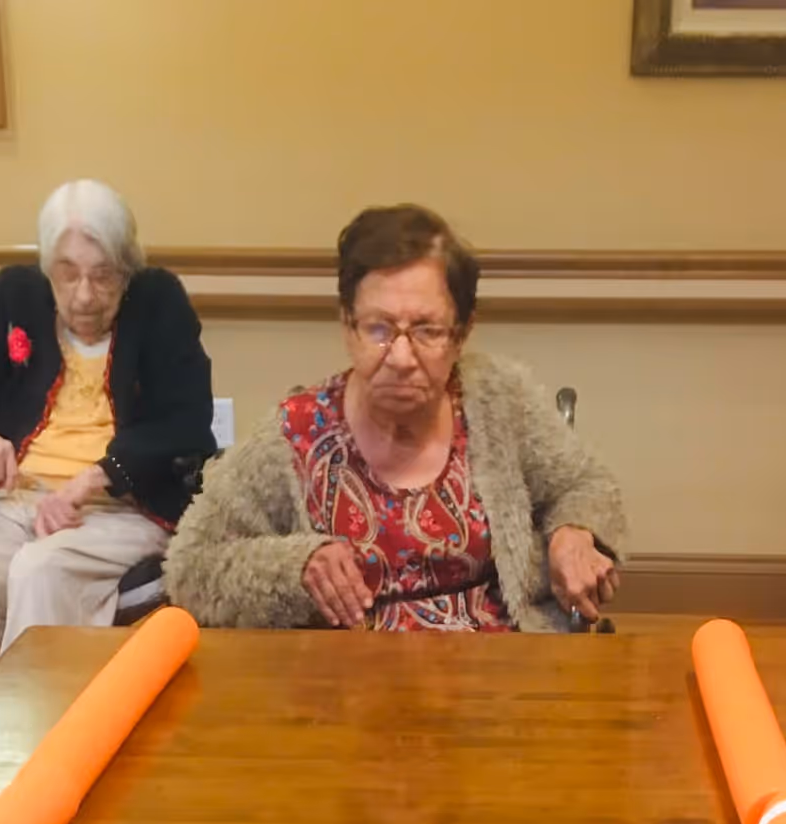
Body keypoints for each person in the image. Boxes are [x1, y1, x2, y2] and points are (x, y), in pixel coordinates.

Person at [165, 204, 624, 634]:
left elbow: (584, 484)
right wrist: (296, 566)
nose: (401, 358)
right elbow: (189, 569)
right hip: (346, 680)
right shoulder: (297, 434)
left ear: (462, 333)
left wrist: (573, 532)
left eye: (427, 330)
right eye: (379, 329)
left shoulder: (499, 398)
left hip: (503, 667)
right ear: (347, 325)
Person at [0, 179, 215, 732]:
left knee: (40, 571)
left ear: (128, 269)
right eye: (67, 274)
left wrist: (97, 478)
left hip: (118, 509)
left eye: (103, 274)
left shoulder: (159, 301)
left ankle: (38, 754)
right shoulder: (13, 296)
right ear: (47, 269)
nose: (84, 295)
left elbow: (186, 421)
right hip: (6, 501)